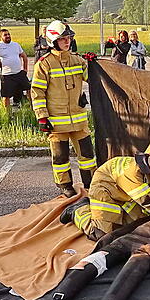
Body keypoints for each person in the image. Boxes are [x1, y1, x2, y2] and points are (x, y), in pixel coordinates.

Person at [63, 148, 150, 241]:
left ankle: (91, 207)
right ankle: (78, 211)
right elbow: (149, 202)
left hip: (123, 193)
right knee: (100, 235)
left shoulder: (149, 167)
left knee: (134, 223)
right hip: (104, 189)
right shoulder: (133, 173)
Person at [31, 20, 96, 197]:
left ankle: (90, 183)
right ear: (53, 40)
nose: (67, 41)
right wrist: (42, 117)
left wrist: (93, 64)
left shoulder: (77, 60)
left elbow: (91, 79)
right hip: (56, 122)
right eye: (63, 39)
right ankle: (65, 185)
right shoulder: (44, 64)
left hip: (79, 120)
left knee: (88, 156)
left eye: (69, 38)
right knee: (60, 158)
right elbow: (37, 92)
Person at [0, 28, 29, 112]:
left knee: (29, 89)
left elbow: (24, 57)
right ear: (1, 37)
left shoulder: (16, 45)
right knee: (6, 96)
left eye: (9, 34)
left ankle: (31, 109)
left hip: (19, 73)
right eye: (5, 35)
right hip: (6, 75)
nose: (8, 36)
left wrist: (25, 69)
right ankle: (7, 113)